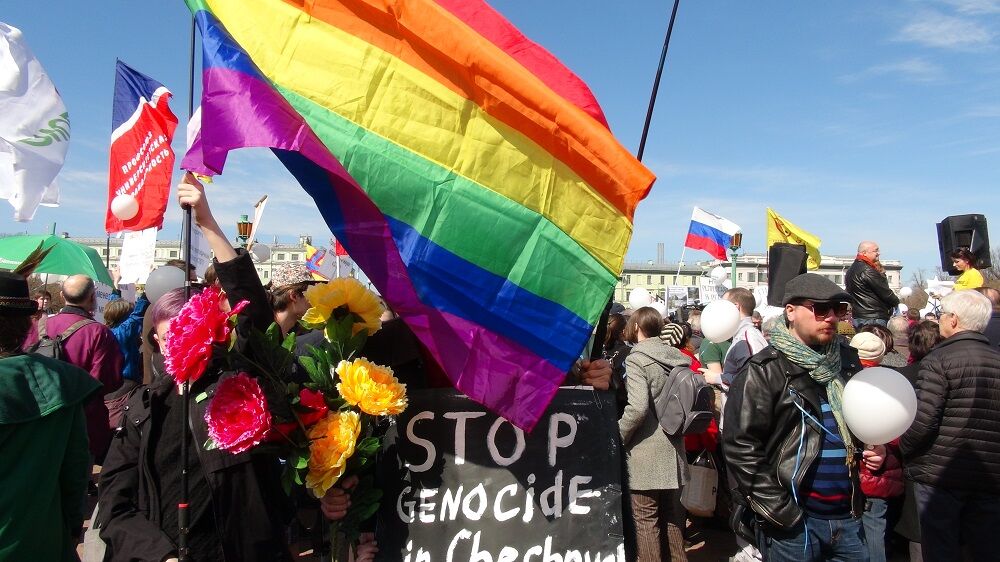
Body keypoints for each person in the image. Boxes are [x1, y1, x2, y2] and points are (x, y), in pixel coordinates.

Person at [98, 175, 296, 561]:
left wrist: (206, 221)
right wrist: (160, 554)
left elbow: (255, 314)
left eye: (189, 334)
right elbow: (113, 504)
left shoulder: (238, 384)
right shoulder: (144, 408)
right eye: (167, 338)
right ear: (154, 341)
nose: (177, 345)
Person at [724, 273, 882, 562]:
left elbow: (860, 423)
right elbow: (740, 447)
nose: (832, 317)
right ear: (791, 311)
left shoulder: (847, 361)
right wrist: (781, 511)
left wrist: (874, 449)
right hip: (795, 525)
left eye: (839, 309)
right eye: (821, 309)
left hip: (849, 518)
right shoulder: (764, 370)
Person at [0, 269, 102, 561]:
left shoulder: (61, 381)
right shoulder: (62, 382)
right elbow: (75, 471)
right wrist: (70, 528)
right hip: (42, 539)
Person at [900, 290, 1000, 562]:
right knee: (985, 549)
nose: (940, 319)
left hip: (940, 475)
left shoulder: (938, 359)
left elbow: (924, 419)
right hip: (988, 474)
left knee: (940, 549)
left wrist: (904, 451)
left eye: (943, 314)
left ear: (953, 320)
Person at [619, 307, 689, 562]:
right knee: (672, 518)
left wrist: (617, 435)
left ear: (636, 327)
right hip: (675, 450)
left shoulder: (637, 357)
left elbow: (637, 408)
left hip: (646, 453)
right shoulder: (678, 357)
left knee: (645, 520)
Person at [34, 274, 124, 467]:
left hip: (40, 418)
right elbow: (108, 380)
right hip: (82, 422)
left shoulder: (41, 326)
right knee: (76, 486)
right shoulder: (98, 333)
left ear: (61, 295)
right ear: (93, 297)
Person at [720, 288, 769, 388]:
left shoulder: (748, 337)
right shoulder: (741, 334)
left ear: (736, 306)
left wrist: (718, 378)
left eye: (723, 305)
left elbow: (755, 381)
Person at [846, 241, 899, 329]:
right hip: (873, 317)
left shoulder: (851, 270)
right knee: (876, 342)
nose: (879, 253)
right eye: (876, 251)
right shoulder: (867, 270)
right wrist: (896, 302)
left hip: (860, 316)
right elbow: (885, 293)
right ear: (864, 253)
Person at [269, 262, 319, 336]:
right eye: (312, 291)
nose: (316, 297)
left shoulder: (272, 332)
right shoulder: (262, 334)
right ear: (294, 296)